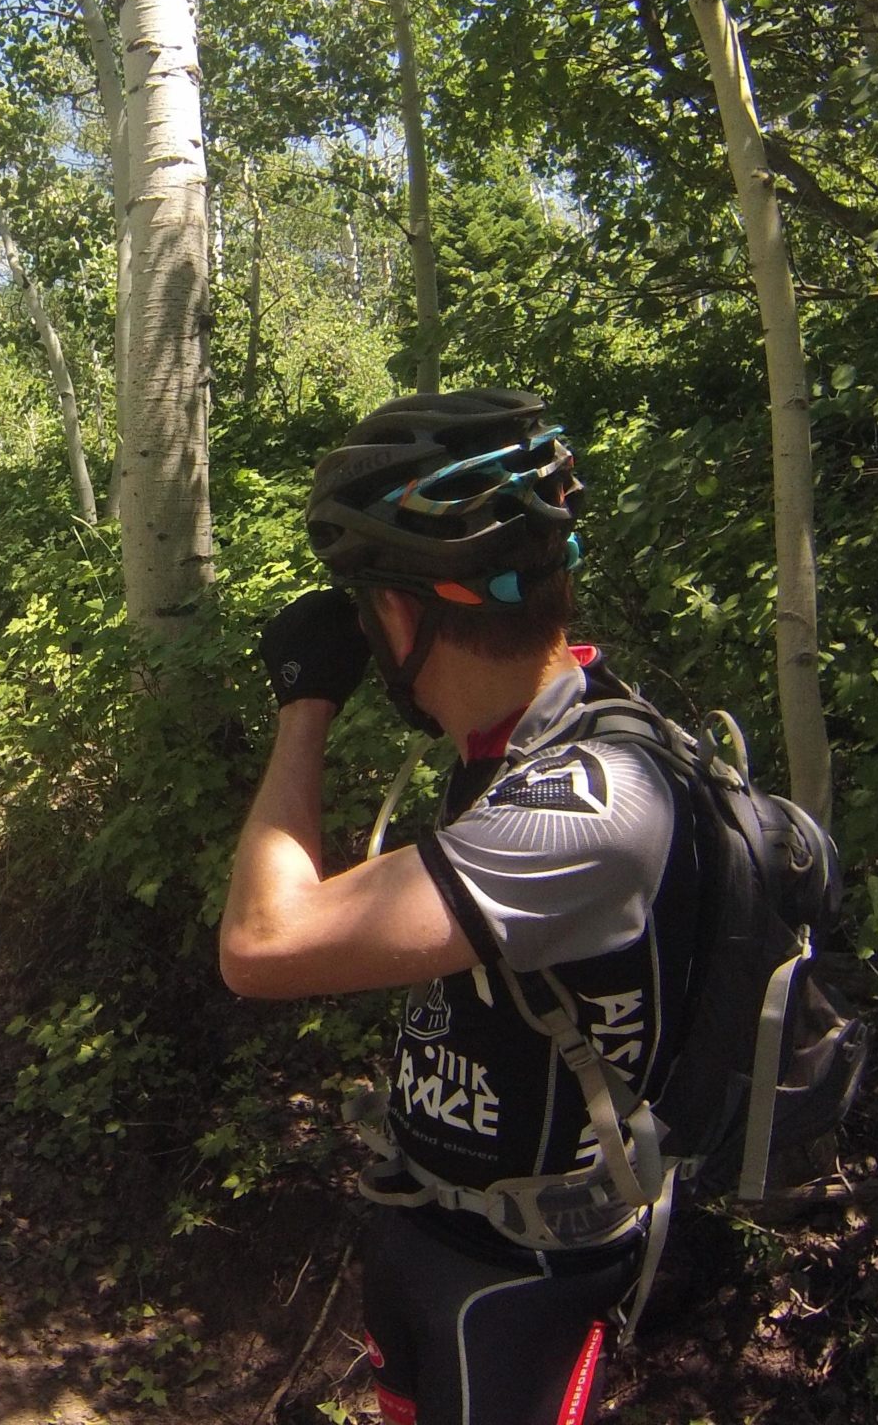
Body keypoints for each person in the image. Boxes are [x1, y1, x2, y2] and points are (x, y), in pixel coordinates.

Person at [220, 390, 698, 1425]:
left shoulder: (588, 804)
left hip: (526, 1282)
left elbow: (263, 945)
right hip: (431, 1227)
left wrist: (302, 706)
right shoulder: (516, 753)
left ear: (397, 612)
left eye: (361, 604)